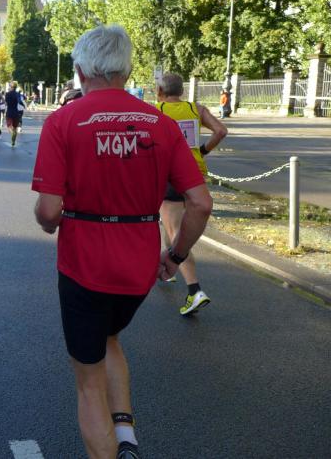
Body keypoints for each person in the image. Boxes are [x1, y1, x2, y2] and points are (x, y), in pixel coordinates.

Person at [32, 25, 212, 459]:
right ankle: (126, 436)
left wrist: (49, 222)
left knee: (88, 381)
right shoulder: (162, 124)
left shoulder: (63, 121)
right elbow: (201, 203)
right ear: (127, 71)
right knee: (111, 336)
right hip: (138, 266)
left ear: (80, 72)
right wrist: (176, 255)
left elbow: (48, 211)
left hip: (83, 265)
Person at [156, 72, 227, 315]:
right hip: (195, 172)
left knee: (177, 231)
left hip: (170, 174)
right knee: (170, 225)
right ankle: (168, 273)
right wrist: (202, 150)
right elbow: (221, 131)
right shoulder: (195, 109)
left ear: (159, 92)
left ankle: (194, 290)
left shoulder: (157, 111)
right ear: (182, 91)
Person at [4, 81, 21, 147]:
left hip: (9, 112)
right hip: (16, 112)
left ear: (11, 87)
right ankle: (13, 141)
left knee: (9, 126)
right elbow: (19, 101)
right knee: (15, 127)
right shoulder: (17, 94)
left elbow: (6, 103)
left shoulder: (7, 94)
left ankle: (12, 133)